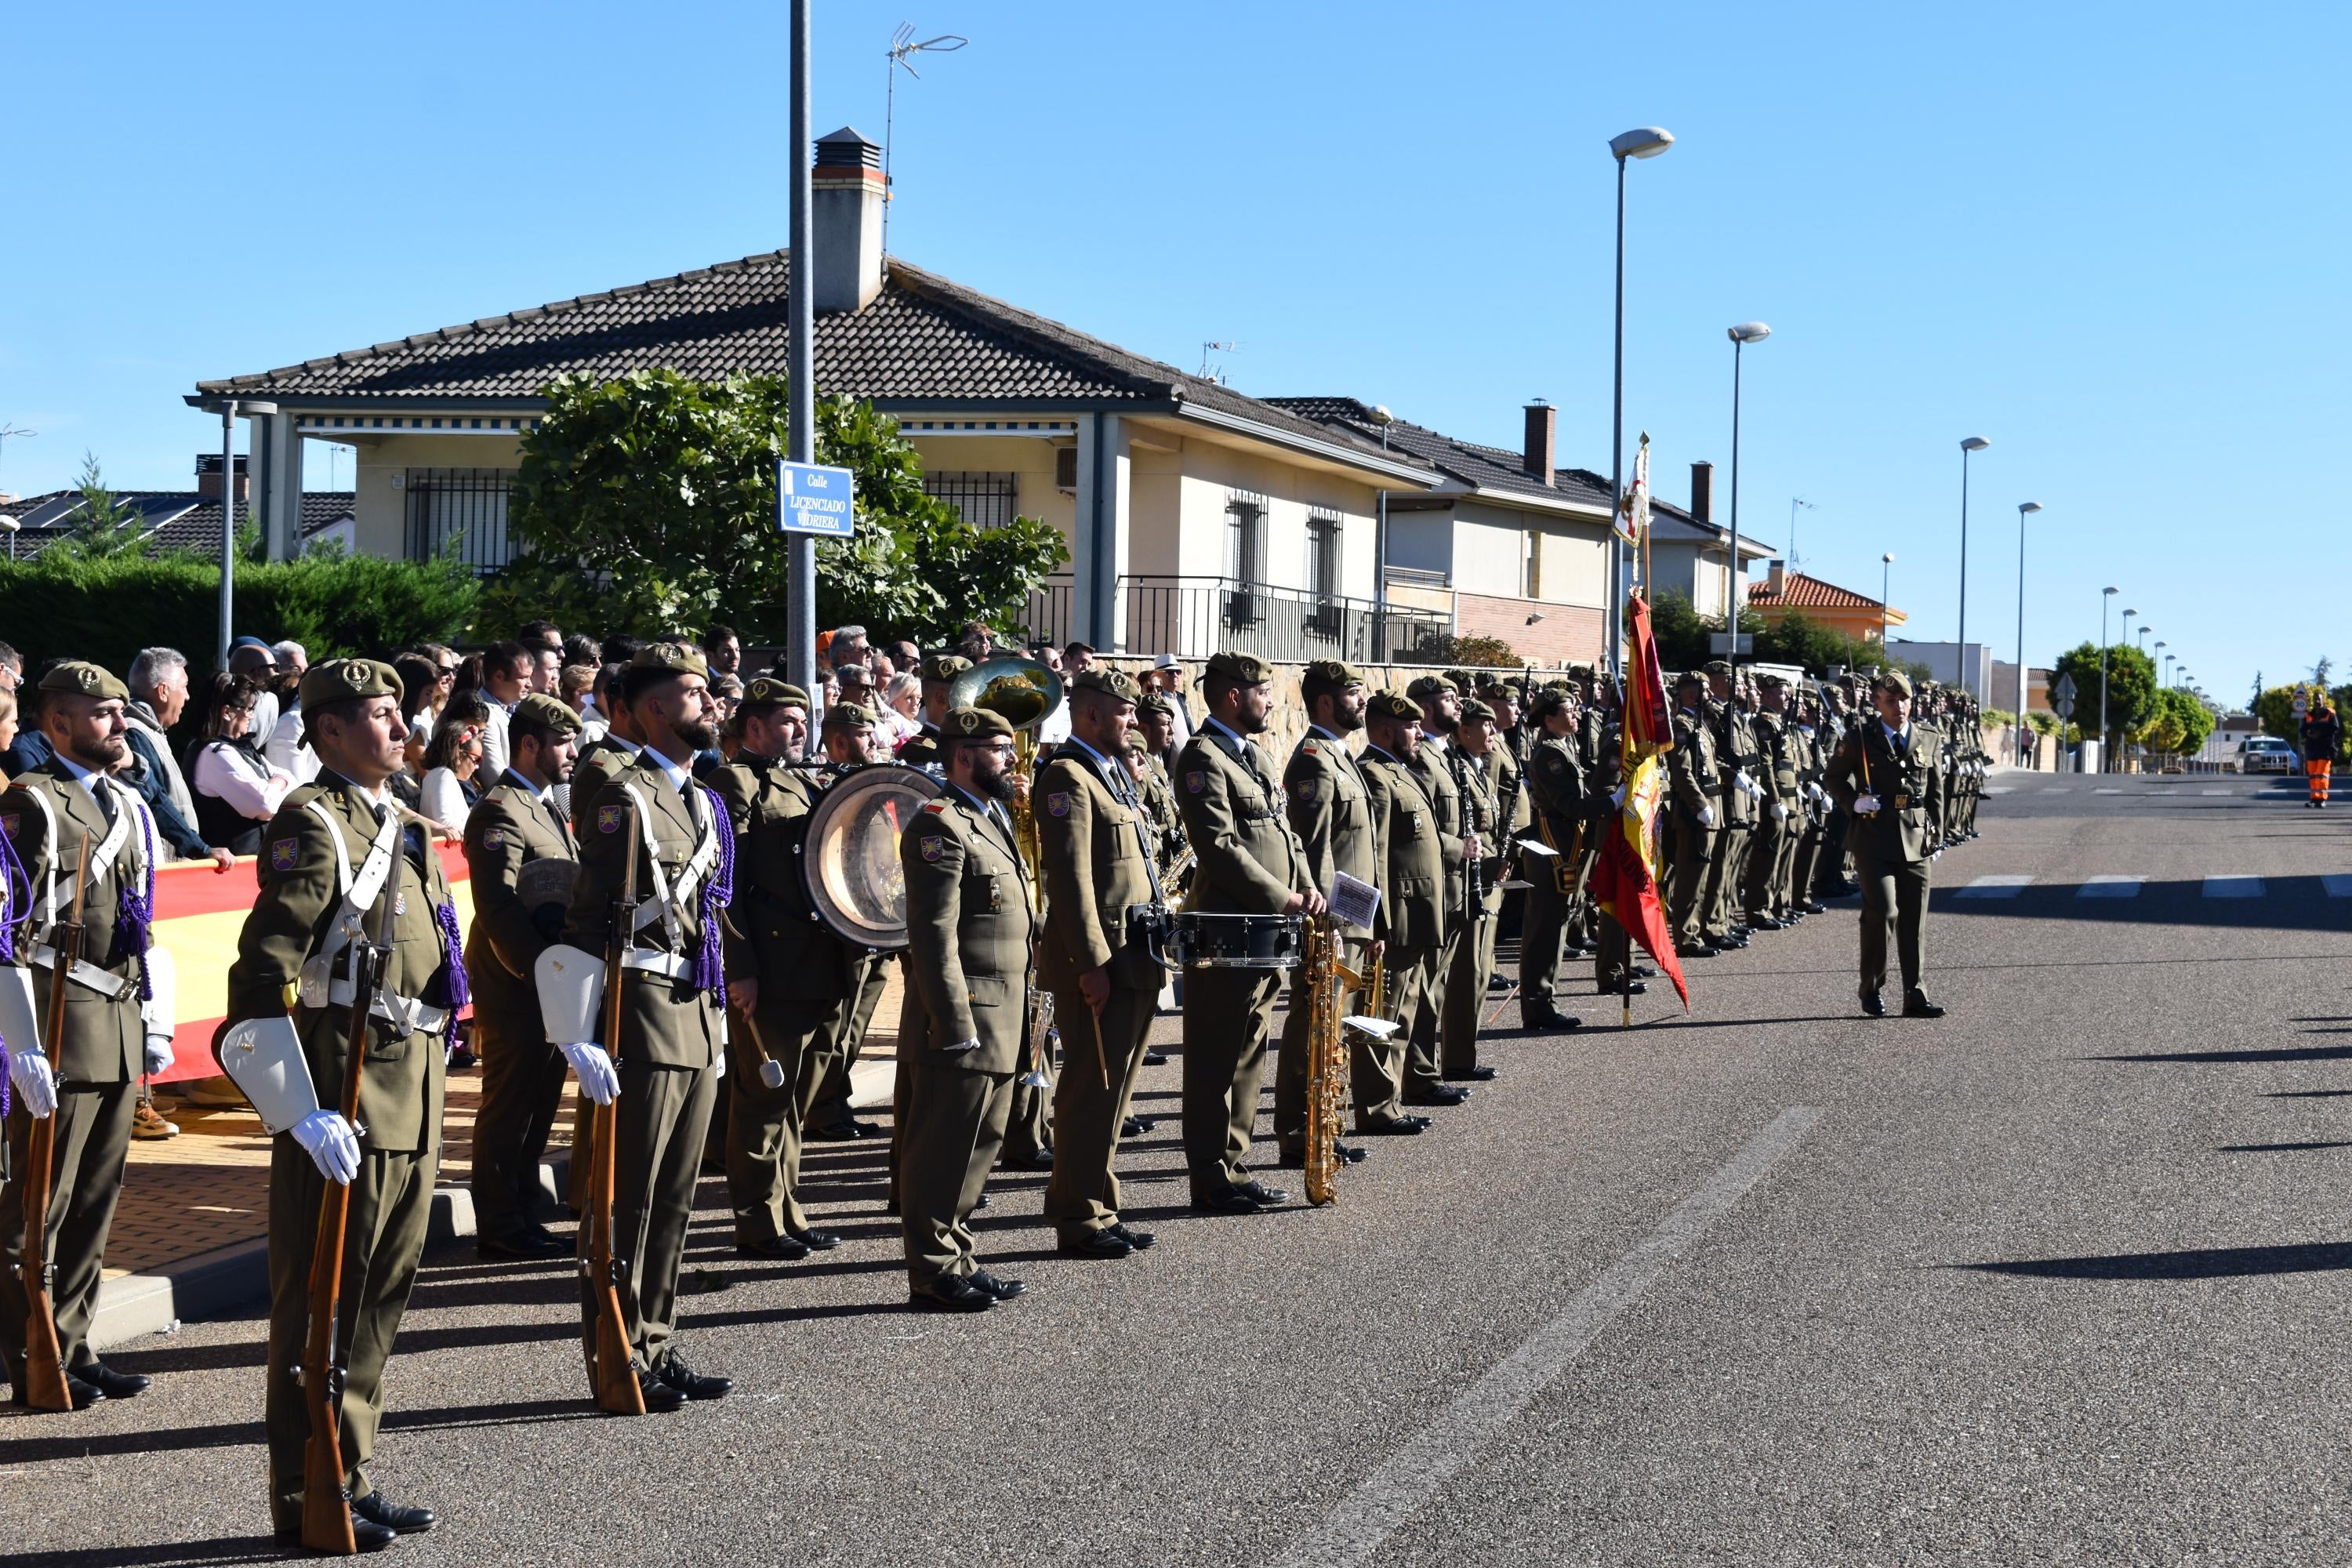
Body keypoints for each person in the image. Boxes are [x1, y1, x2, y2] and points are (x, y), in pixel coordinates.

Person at [223, 657, 464, 1548]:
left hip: (412, 1087)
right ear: (327, 730)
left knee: (378, 1295)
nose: (401, 727)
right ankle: (303, 1488)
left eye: (401, 711)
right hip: (345, 1095)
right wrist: (297, 1106)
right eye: (377, 713)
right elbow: (261, 973)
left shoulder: (396, 819)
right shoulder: (312, 822)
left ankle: (349, 1471)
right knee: (322, 1302)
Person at [548, 642, 735, 1410]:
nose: (713, 705)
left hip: (694, 1009)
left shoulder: (696, 796)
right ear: (655, 709)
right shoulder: (624, 796)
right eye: (695, 694)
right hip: (643, 1009)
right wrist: (581, 1030)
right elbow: (589, 920)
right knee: (628, 1198)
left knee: (676, 1196)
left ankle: (655, 1340)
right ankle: (615, 1355)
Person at [1, 662, 169, 1411]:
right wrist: (20, 1040)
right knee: (37, 1204)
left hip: (118, 1023)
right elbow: (5, 933)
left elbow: (142, 924)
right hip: (57, 1021)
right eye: (101, 713)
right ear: (57, 723)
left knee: (96, 1202)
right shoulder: (33, 801)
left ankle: (72, 1343)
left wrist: (154, 1023)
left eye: (122, 711)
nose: (119, 723)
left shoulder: (130, 805)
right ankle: (27, 1351)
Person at [897, 706, 1036, 1311]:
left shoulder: (989, 817)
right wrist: (952, 1022)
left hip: (1005, 1014)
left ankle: (958, 1256)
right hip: (969, 1017)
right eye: (1001, 749)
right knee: (943, 1149)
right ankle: (931, 1273)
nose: (1011, 759)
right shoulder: (938, 825)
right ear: (963, 755)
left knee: (979, 1145)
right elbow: (932, 936)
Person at [1172, 651, 1319, 1214]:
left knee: (1249, 1052)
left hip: (1265, 931)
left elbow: (1286, 835)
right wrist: (1281, 895)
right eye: (1263, 693)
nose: (1270, 703)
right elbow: (1220, 846)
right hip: (1227, 933)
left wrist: (1307, 889)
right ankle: (1210, 1178)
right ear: (1233, 696)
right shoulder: (1203, 758)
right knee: (1216, 1057)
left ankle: (1233, 1167)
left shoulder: (1252, 756)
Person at [712, 678, 849, 1261]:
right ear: (754, 727)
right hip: (769, 966)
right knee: (763, 1097)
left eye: (803, 719)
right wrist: (739, 967)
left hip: (815, 962)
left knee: (793, 1098)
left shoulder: (800, 780)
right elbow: (728, 888)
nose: (800, 730)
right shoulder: (734, 782)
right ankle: (758, 1224)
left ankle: (786, 1209)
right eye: (789, 721)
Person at [1036, 668, 1162, 1260]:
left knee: (1114, 1092)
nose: (1133, 721)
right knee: (1090, 1089)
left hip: (1135, 954)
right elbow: (1069, 880)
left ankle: (1099, 1205)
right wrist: (1091, 963)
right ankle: (1078, 1216)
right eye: (1124, 712)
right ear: (1090, 715)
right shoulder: (1066, 777)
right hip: (1103, 962)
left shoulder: (1109, 775)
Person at [463, 693, 584, 1261]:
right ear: (530, 744)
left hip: (549, 981)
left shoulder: (546, 804)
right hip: (518, 984)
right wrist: (546, 976)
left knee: (538, 1104)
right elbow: (499, 907)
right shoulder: (501, 809)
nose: (574, 753)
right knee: (510, 1105)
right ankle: (501, 1223)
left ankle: (523, 1213)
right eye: (563, 742)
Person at [1277, 661, 1391, 1162]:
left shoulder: (1341, 756)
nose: (1362, 702)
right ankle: (1300, 1134)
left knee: (1334, 1025)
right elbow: (1312, 849)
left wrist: (1371, 922)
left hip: (1354, 917)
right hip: (1332, 921)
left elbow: (1359, 852)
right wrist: (1327, 925)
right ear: (1325, 702)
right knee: (1313, 1023)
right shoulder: (1314, 761)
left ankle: (1322, 1126)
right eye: (1353, 694)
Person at [1826, 671, 1947, 1018]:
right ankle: (1872, 988)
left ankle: (1915, 994)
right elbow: (1833, 777)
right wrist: (1853, 803)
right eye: (1891, 701)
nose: (1899, 707)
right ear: (1877, 703)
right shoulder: (1861, 737)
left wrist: (1937, 833)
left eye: (1904, 700)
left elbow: (1937, 790)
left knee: (1914, 921)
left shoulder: (1928, 737)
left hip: (1915, 837)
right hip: (1873, 837)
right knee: (1882, 912)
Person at [1400, 674, 1474, 1109]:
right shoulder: (1421, 757)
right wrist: (1459, 848)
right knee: (1423, 988)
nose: (1459, 705)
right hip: (1435, 888)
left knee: (1437, 985)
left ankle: (1425, 1071)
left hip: (1456, 883)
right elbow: (1423, 830)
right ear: (1426, 709)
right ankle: (1419, 1077)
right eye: (1449, 699)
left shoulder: (1445, 754)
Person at [186, 672, 297, 856]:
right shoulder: (215, 755)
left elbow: (292, 780)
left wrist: (276, 782)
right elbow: (264, 805)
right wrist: (277, 782)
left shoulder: (237, 749)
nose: (252, 716)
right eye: (248, 709)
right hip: (231, 869)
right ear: (227, 712)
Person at [1666, 673, 1722, 959]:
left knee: (1702, 877)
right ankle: (1686, 938)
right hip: (1693, 813)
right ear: (1691, 694)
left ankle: (1695, 932)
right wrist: (1700, 805)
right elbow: (1682, 771)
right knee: (1689, 879)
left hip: (1708, 811)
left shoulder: (1700, 725)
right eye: (1705, 690)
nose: (1710, 695)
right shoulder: (1682, 725)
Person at [418, 691, 489, 832]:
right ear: (459, 754)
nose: (477, 767)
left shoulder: (442, 775)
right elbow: (445, 821)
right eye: (476, 760)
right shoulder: (442, 775)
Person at [474, 641, 532, 780]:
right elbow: (494, 776)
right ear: (499, 676)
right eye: (523, 677)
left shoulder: (518, 708)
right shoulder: (481, 713)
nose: (530, 684)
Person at [2303, 695, 2339, 808]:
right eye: (2316, 700)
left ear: (2323, 701)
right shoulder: (2309, 715)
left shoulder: (2330, 713)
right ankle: (2314, 798)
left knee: (2322, 775)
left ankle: (2322, 799)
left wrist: (2320, 734)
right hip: (2311, 749)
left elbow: (2335, 728)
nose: (2317, 701)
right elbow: (2302, 730)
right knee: (2313, 776)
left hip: (2325, 749)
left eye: (2319, 699)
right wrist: (2309, 733)